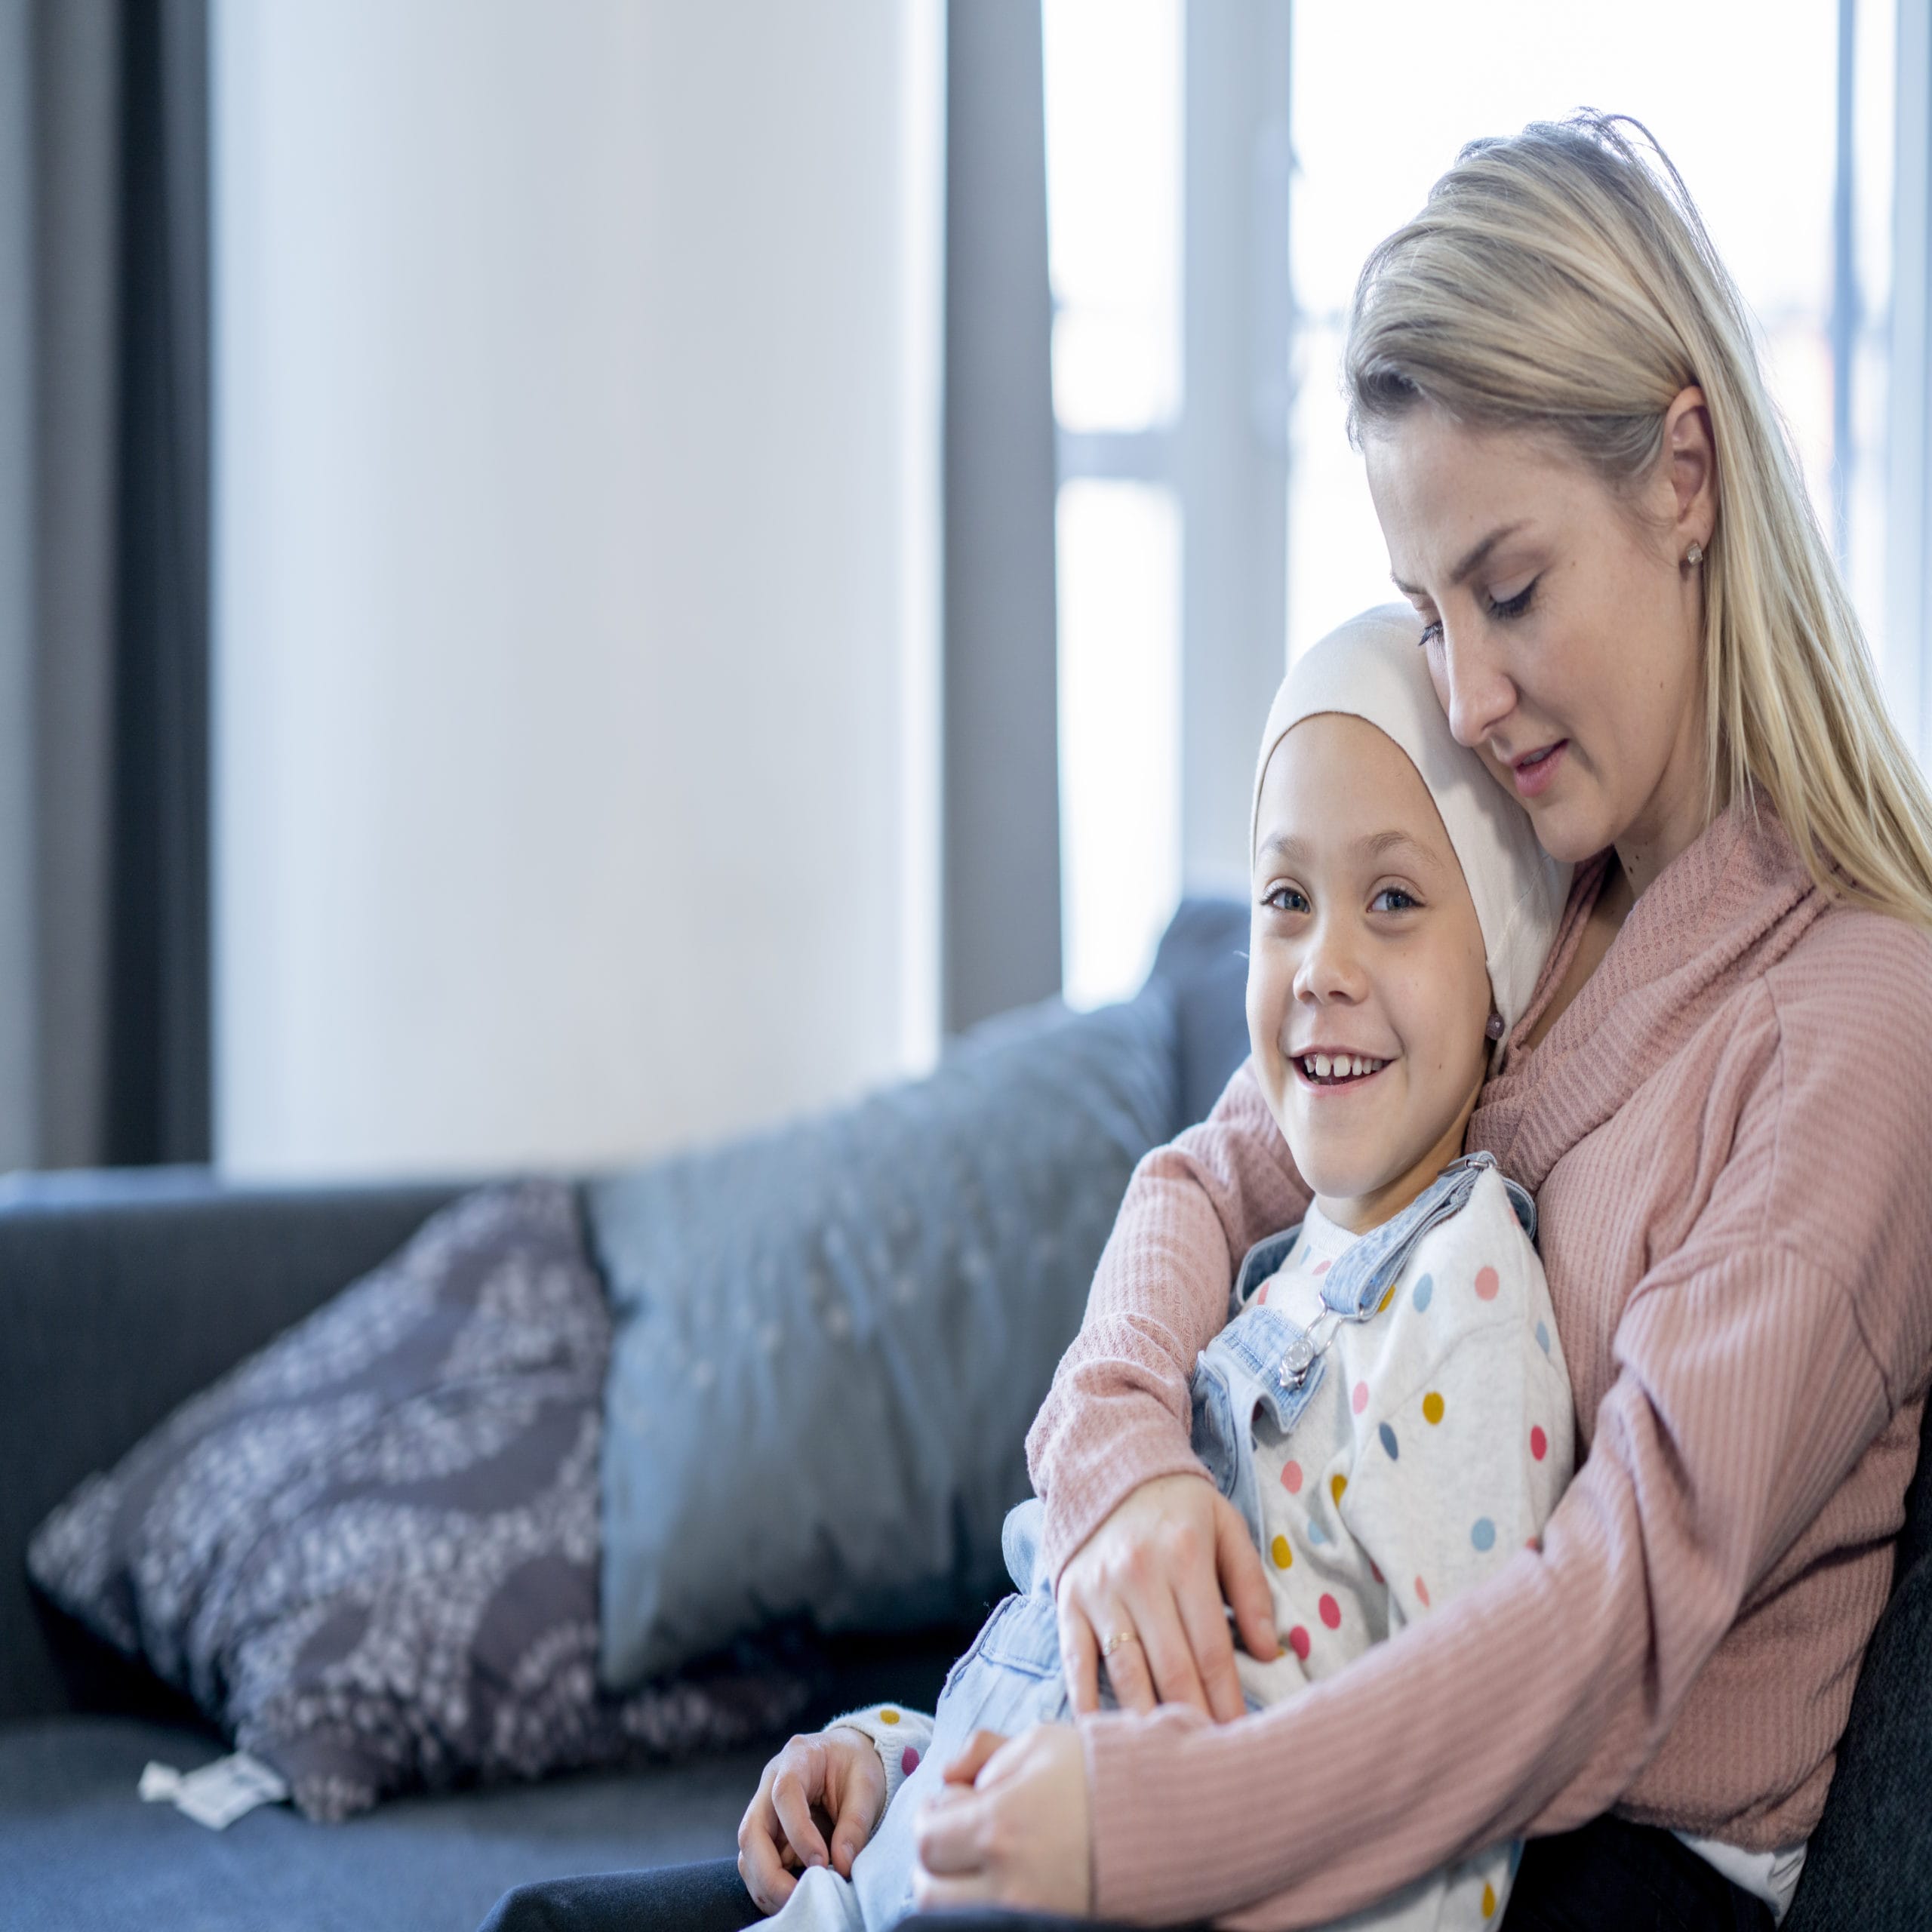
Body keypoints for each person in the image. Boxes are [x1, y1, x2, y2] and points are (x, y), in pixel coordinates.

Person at [478, 111, 1932, 1932]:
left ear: (1685, 474)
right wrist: (1115, 1486)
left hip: (1578, 1868)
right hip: (1305, 1747)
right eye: (1423, 612)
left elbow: (1607, 1619)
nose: (1466, 696)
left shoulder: (1852, 1018)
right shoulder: (1527, 898)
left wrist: (1154, 1823)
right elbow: (1195, 1173)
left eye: (1509, 589)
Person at [737, 609, 1574, 1932]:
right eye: (1286, 900)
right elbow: (1072, 1675)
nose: (1322, 970)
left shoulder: (1465, 1302)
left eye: (1396, 901)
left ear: (1498, 977)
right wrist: (886, 1761)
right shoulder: (1259, 1275)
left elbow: (1439, 1822)